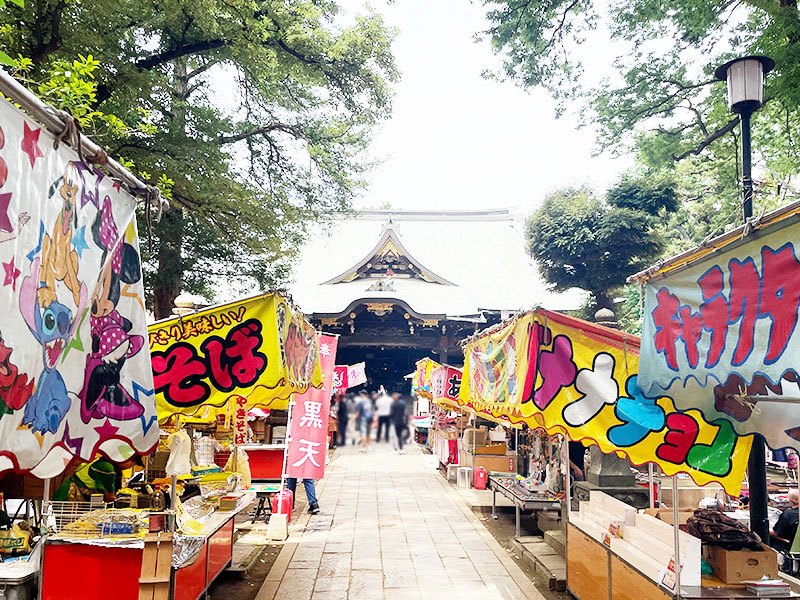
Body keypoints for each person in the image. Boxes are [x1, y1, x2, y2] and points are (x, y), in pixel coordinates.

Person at [53, 455, 141, 502]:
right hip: (67, 498)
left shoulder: (106, 462)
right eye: (133, 463)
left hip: (77, 498)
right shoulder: (106, 468)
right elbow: (109, 497)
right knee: (69, 531)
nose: (130, 466)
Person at [772, 489, 799, 554]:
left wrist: (766, 530)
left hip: (790, 547)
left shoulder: (787, 515)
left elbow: (778, 533)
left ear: (790, 501)